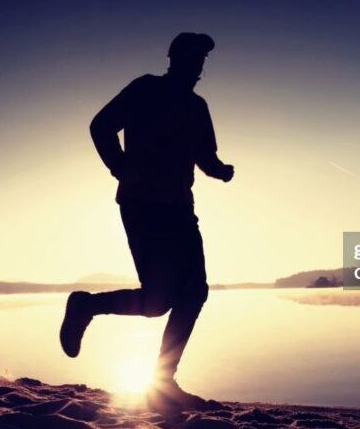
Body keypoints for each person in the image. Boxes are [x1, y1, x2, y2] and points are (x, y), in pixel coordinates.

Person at [59, 32, 234, 408]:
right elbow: (101, 125)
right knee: (157, 301)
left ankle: (163, 383)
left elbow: (204, 156)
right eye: (192, 55)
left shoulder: (197, 107)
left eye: (202, 57)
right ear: (174, 58)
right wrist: (120, 166)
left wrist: (220, 170)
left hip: (180, 209)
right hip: (142, 204)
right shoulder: (146, 89)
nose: (198, 63)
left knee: (194, 292)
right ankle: (85, 305)